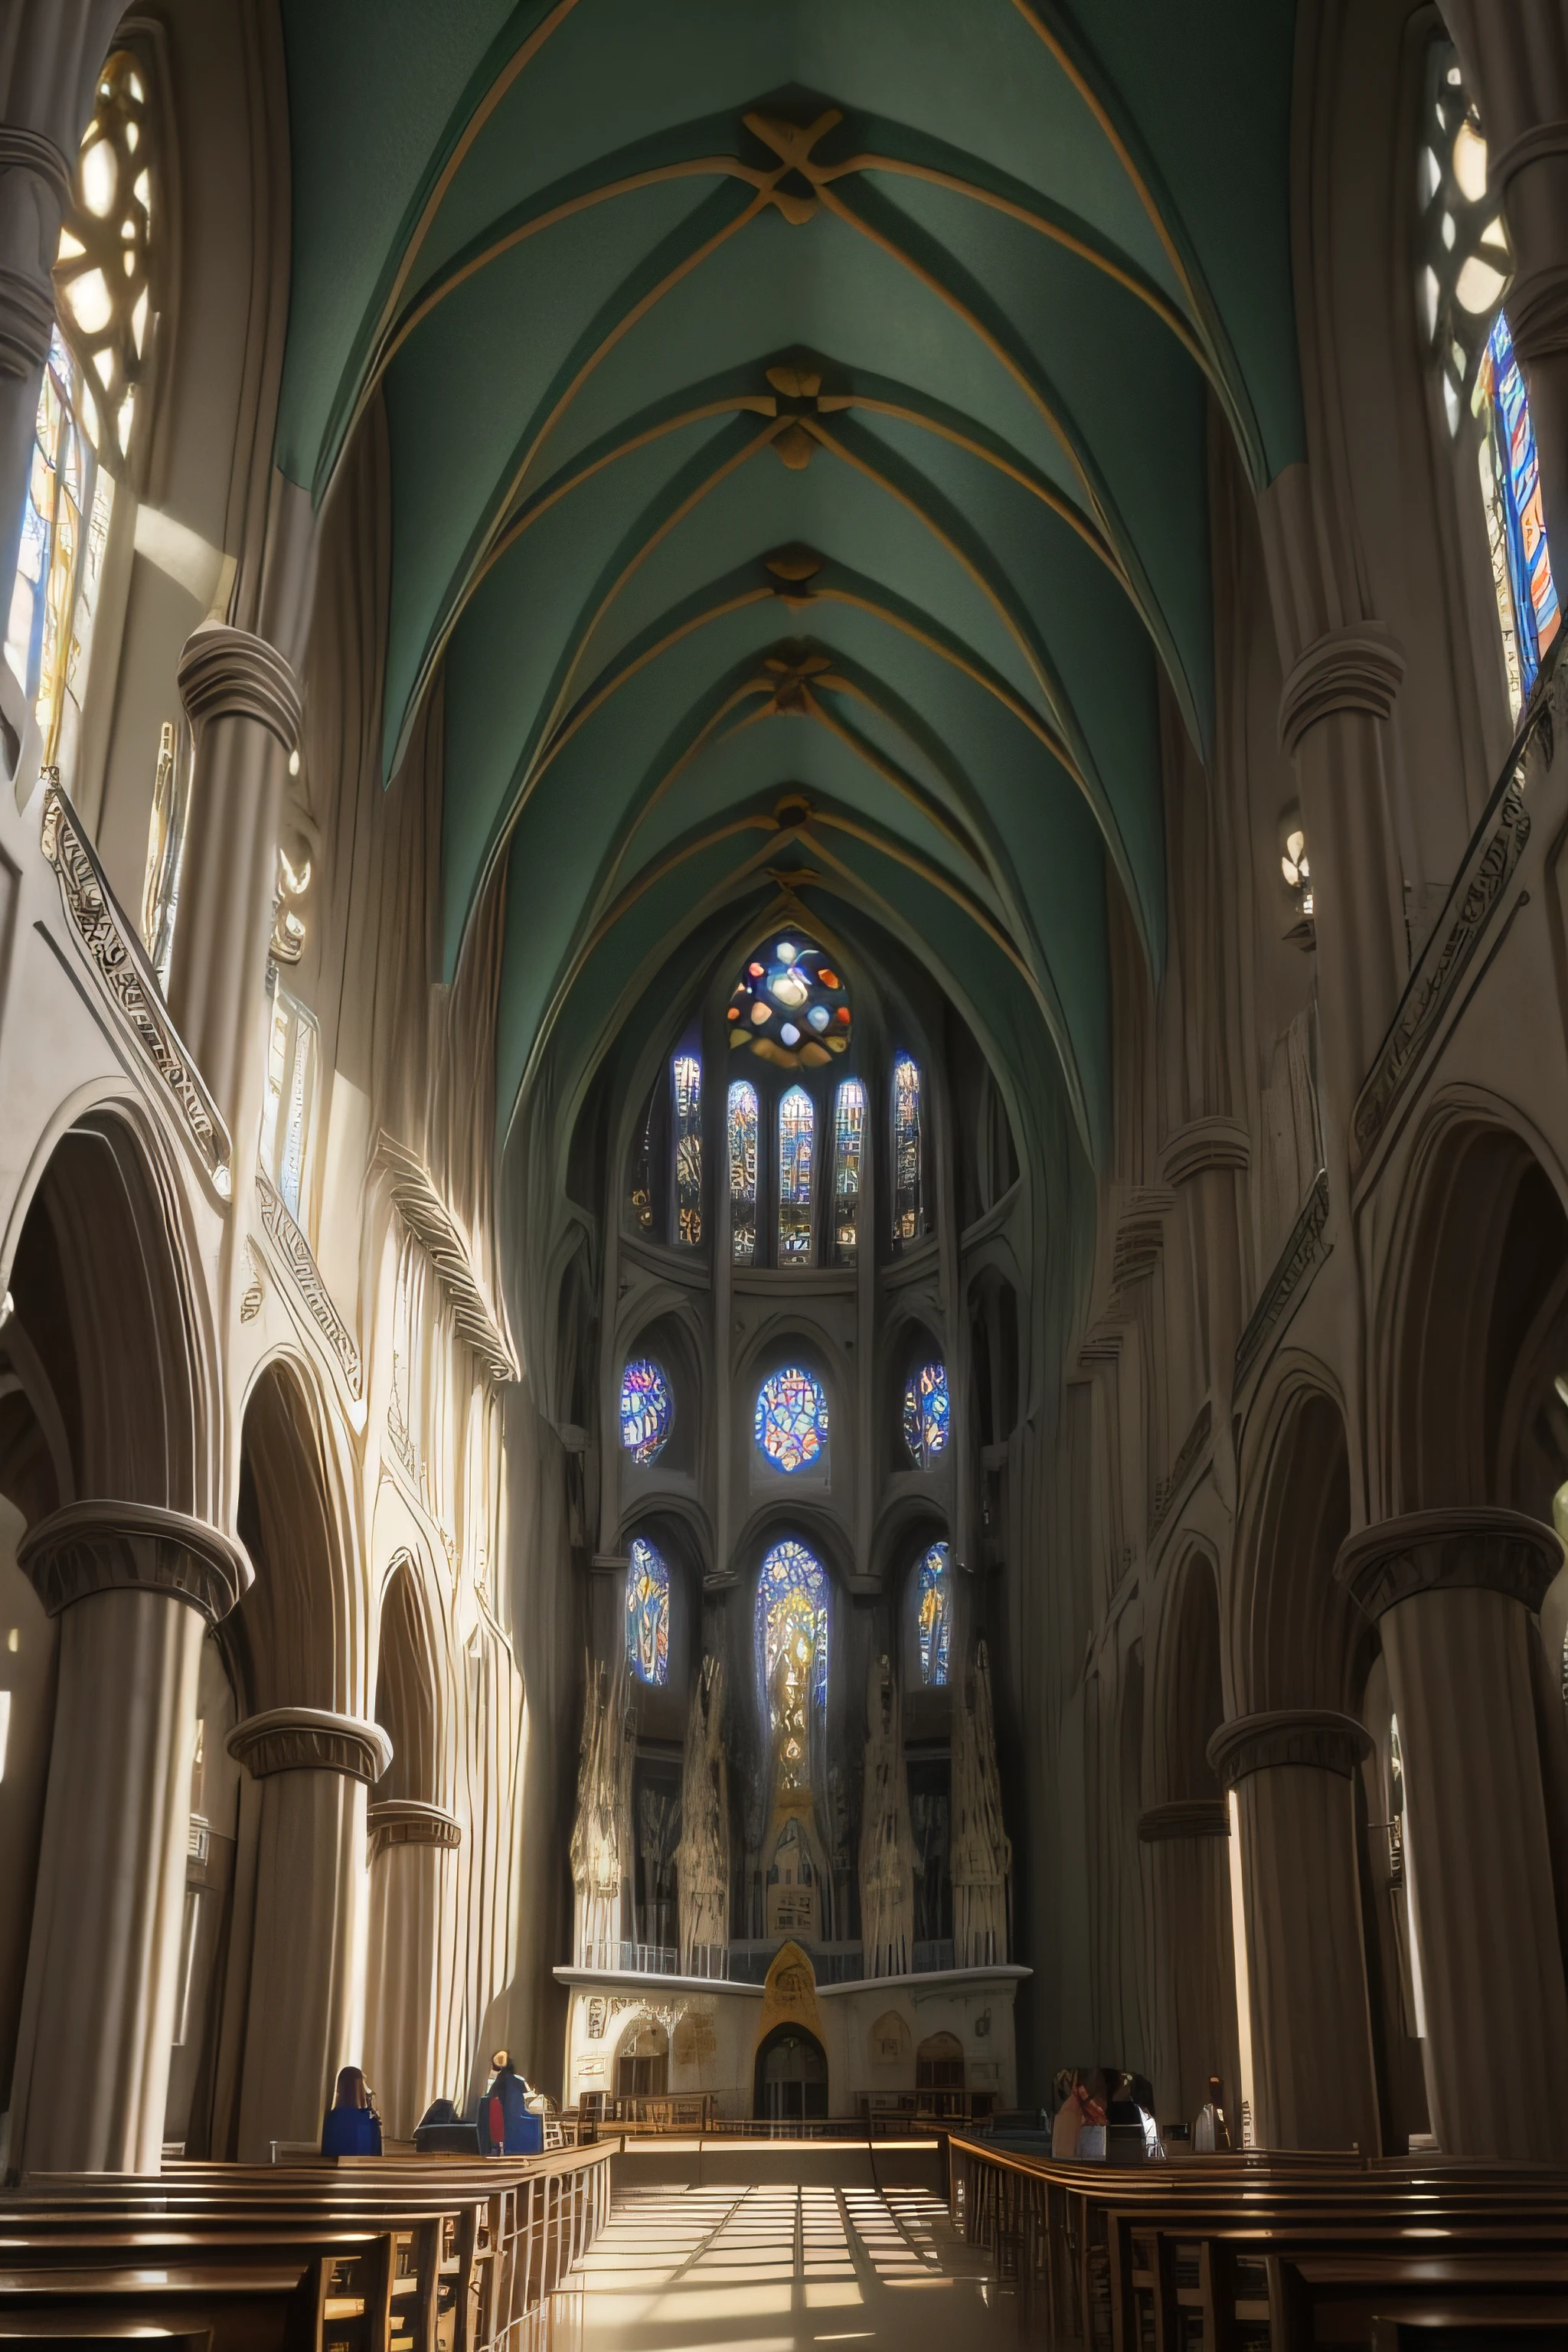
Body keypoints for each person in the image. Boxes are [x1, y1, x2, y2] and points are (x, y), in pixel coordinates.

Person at [479, 2049, 543, 2156]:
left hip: (507, 2122)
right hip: (517, 2120)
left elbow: (490, 2096)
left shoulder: (498, 2083)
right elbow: (529, 2097)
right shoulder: (518, 2081)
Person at [322, 2065, 383, 2157]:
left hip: (333, 2169)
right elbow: (376, 2155)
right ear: (361, 2089)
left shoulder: (332, 2118)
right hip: (366, 2169)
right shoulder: (369, 2119)